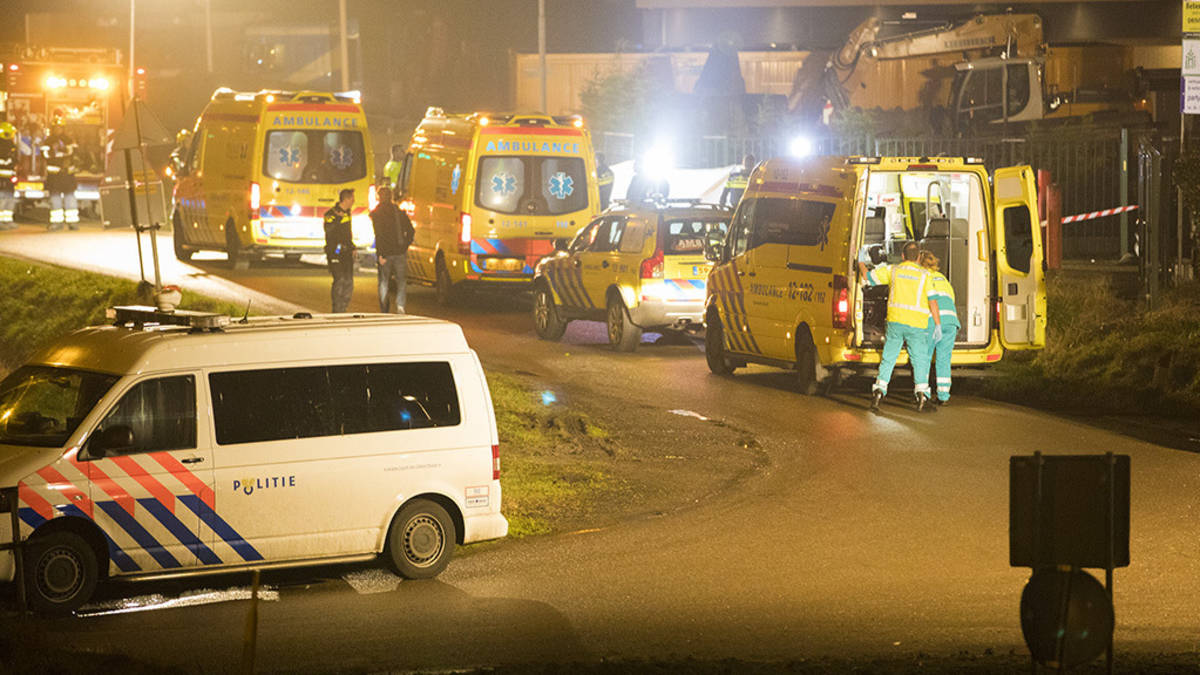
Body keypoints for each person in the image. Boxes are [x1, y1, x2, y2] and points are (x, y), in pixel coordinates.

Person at [858, 240, 942, 413]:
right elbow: (933, 302)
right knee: (919, 360)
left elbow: (868, 278)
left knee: (889, 358)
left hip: (895, 322)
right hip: (916, 324)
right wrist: (938, 324)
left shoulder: (893, 270)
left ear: (903, 256)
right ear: (919, 257)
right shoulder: (925, 275)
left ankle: (879, 393)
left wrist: (860, 261)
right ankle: (921, 396)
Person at [919, 250, 959, 405]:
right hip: (951, 321)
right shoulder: (943, 278)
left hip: (932, 321)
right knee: (944, 358)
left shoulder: (922, 278)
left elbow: (923, 301)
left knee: (925, 357)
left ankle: (923, 393)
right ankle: (943, 395)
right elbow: (952, 298)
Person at [370, 186, 415, 313]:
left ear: (379, 197)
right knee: (401, 280)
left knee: (384, 281)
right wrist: (404, 245)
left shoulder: (376, 214)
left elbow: (379, 235)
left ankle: (384, 308)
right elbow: (411, 231)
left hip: (385, 252)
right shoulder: (399, 212)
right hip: (399, 252)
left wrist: (380, 254)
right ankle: (400, 305)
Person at [41, 118, 79, 230]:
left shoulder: (68, 140)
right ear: (53, 129)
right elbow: (45, 155)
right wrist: (55, 151)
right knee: (55, 200)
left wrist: (63, 151)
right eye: (56, 128)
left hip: (67, 175)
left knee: (70, 198)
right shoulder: (48, 141)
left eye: (60, 128)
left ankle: (72, 222)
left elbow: (74, 153)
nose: (58, 130)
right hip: (55, 176)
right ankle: (57, 223)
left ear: (63, 128)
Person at [323, 188, 357, 313]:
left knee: (349, 281)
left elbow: (347, 233)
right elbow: (330, 231)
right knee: (339, 279)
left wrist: (352, 246)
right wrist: (338, 218)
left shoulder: (348, 213)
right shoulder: (331, 214)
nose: (354, 201)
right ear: (346, 199)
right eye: (352, 198)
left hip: (347, 252)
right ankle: (337, 310)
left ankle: (344, 308)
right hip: (335, 252)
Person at [0, 122, 18, 229]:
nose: (12, 136)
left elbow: (14, 161)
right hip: (1, 179)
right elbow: (7, 161)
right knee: (2, 200)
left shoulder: (11, 146)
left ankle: (8, 220)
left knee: (9, 199)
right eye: (11, 133)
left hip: (9, 179)